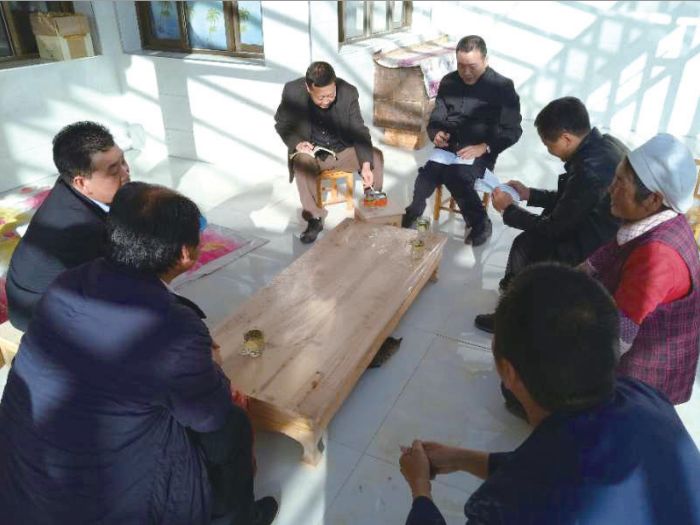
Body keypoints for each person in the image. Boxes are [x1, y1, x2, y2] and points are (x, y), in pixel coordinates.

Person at [0, 182, 278, 525]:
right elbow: (208, 415)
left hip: (23, 478)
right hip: (104, 503)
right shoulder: (174, 326)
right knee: (230, 424)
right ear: (186, 254)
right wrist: (214, 372)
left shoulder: (69, 282)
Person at [400, 263, 700, 525]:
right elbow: (550, 466)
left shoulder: (510, 509)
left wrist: (420, 490)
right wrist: (462, 459)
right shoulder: (643, 396)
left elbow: (543, 482)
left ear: (508, 371)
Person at [475, 97, 626, 333]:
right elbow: (573, 199)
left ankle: (512, 317)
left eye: (548, 144)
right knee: (531, 238)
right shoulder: (604, 145)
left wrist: (508, 209)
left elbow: (555, 228)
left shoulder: (590, 169)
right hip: (604, 231)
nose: (549, 151)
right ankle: (517, 300)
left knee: (526, 246)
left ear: (566, 138)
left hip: (596, 246)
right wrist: (529, 194)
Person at [584, 134, 700, 404]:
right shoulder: (653, 220)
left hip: (642, 379)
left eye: (620, 183)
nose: (611, 189)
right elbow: (601, 258)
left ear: (653, 199)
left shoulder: (657, 256)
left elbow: (617, 339)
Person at [5, 121, 130, 331]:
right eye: (113, 170)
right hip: (37, 312)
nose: (126, 172)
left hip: (31, 291)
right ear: (81, 182)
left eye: (123, 161)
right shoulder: (81, 228)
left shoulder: (68, 183)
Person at [402, 35, 522, 246]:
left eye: (472, 66)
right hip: (449, 147)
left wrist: (485, 147)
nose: (466, 72)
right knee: (426, 177)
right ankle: (414, 210)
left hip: (480, 151)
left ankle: (480, 223)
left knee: (456, 176)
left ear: (485, 60)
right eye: (461, 65)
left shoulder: (502, 87)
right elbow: (437, 117)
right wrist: (436, 133)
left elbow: (514, 130)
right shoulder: (449, 82)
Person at [274, 61, 384, 243]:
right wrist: (298, 143)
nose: (326, 101)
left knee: (375, 156)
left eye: (331, 95)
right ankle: (314, 218)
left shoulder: (348, 92)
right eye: (321, 97)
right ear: (308, 88)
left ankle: (372, 205)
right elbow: (282, 124)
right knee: (301, 162)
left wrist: (365, 166)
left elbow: (359, 130)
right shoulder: (292, 91)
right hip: (313, 155)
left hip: (342, 151)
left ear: (335, 84)